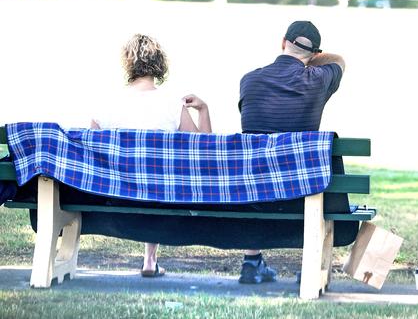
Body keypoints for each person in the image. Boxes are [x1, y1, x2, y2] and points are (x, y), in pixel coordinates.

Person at [91, 33, 212, 278]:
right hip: (160, 195)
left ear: (128, 63)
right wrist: (203, 109)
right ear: (159, 64)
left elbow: (92, 153)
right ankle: (150, 258)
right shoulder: (171, 104)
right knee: (154, 175)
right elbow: (204, 151)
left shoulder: (105, 104)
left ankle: (150, 258)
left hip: (115, 195)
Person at [236, 20, 345, 284]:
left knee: (259, 164)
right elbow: (340, 60)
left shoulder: (249, 80)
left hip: (255, 191)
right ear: (315, 55)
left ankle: (252, 262)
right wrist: (312, 59)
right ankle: (311, 265)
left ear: (282, 42)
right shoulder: (319, 79)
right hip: (299, 190)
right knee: (310, 178)